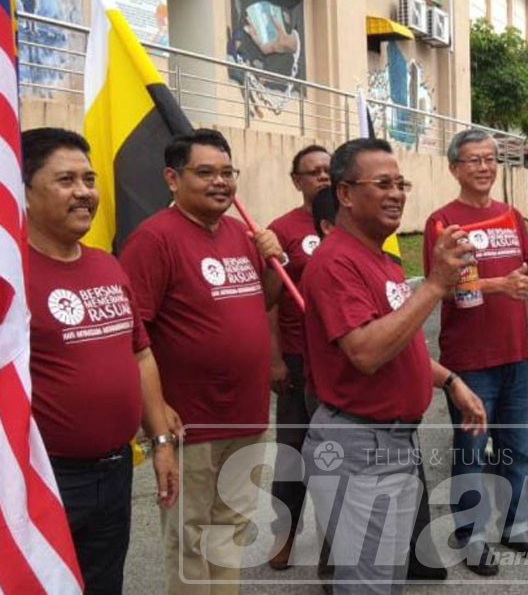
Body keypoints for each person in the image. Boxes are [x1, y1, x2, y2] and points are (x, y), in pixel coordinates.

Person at [301, 138, 487, 593]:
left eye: (400, 183)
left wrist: (449, 381)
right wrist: (437, 284)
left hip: (394, 442)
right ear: (345, 194)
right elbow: (365, 352)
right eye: (382, 184)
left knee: (385, 577)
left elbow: (402, 343)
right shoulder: (335, 262)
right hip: (358, 444)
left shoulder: (380, 259)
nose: (397, 193)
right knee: (366, 583)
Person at [119, 128, 285, 594]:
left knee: (228, 535)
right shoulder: (154, 239)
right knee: (191, 543)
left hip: (247, 416)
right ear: (173, 179)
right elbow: (133, 335)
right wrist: (156, 416)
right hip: (192, 424)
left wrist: (275, 264)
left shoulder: (241, 233)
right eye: (205, 172)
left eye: (228, 172)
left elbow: (262, 302)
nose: (221, 182)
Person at [422, 129, 528, 576]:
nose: (484, 167)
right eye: (474, 160)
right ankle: (472, 537)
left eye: (490, 159)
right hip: (469, 361)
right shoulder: (443, 222)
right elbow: (439, 289)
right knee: (472, 452)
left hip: (516, 355)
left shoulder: (511, 217)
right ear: (455, 168)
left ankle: (518, 528)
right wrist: (499, 285)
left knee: (519, 448)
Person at [22, 127, 178, 594]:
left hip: (114, 473)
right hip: (45, 480)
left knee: (105, 584)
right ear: (22, 189)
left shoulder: (108, 265)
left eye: (89, 179)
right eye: (66, 180)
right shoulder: (12, 278)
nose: (85, 192)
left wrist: (162, 441)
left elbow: (141, 355)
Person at [266, 144, 330, 570]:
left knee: (334, 457)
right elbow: (268, 302)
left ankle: (332, 547)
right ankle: (284, 537)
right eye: (313, 172)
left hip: (339, 360)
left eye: (329, 170)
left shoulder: (347, 223)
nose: (323, 178)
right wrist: (274, 359)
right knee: (292, 454)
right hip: (296, 357)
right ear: (297, 180)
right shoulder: (282, 229)